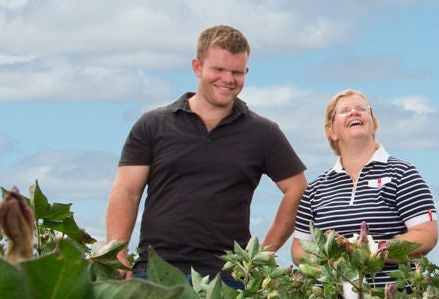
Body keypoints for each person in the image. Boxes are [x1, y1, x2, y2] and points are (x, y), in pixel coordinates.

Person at [105, 25, 308, 286]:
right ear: (197, 67)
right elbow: (127, 190)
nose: (228, 79)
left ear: (246, 72)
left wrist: (261, 255)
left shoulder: (263, 133)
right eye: (219, 70)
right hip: (156, 272)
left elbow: (298, 189)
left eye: (237, 72)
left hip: (227, 280)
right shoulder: (153, 125)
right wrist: (117, 253)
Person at [291, 89, 439, 289]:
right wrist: (329, 262)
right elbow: (299, 247)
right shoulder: (316, 189)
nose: (354, 112)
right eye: (344, 111)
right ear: (331, 132)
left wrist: (370, 251)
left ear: (374, 125)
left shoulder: (403, 173)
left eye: (362, 109)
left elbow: (426, 234)